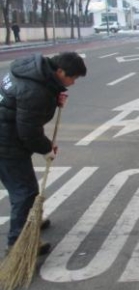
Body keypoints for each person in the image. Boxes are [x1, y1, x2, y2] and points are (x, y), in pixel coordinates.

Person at [0, 52, 87, 255]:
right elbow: (28, 131)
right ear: (60, 71)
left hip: (8, 136)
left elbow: (20, 104)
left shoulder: (31, 71)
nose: (73, 83)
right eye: (72, 78)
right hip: (5, 143)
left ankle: (32, 220)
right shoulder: (35, 90)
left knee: (25, 188)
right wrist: (46, 148)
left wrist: (54, 97)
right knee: (25, 192)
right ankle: (17, 244)